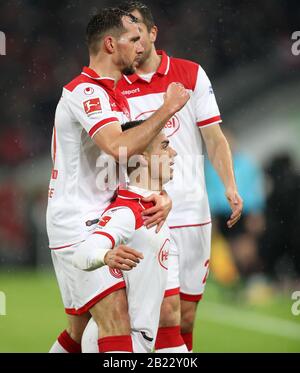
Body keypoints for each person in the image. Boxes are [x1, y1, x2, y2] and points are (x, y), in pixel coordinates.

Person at [47, 7, 190, 353]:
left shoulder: (115, 98)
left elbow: (133, 163)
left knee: (79, 335)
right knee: (116, 320)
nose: (141, 47)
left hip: (108, 217)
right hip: (78, 224)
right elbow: (118, 147)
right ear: (111, 44)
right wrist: (167, 108)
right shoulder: (86, 92)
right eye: (133, 39)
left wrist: (159, 195)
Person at [116, 1, 243, 353]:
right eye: (125, 38)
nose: (133, 44)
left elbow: (214, 137)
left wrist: (230, 185)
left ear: (153, 33)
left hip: (190, 212)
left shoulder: (190, 74)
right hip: (147, 214)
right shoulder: (115, 86)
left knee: (185, 316)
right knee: (160, 312)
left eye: (137, 35)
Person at [74, 121, 177, 353]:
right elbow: (81, 254)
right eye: (164, 146)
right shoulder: (126, 212)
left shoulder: (152, 205)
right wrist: (106, 255)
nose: (173, 153)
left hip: (136, 339)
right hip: (121, 340)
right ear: (140, 158)